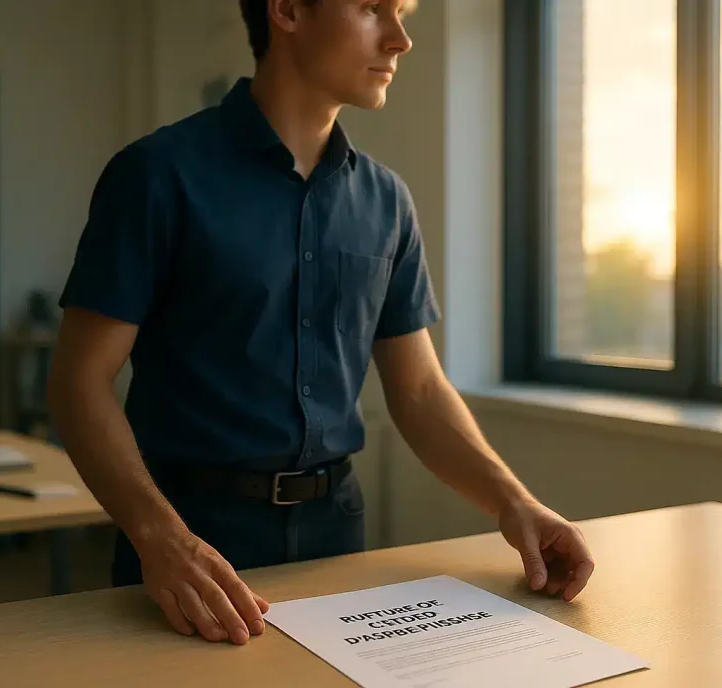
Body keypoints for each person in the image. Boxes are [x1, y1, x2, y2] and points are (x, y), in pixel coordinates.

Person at [47, 0, 594, 647]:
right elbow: (79, 384)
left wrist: (515, 503)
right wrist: (160, 538)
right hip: (190, 538)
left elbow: (418, 390)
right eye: (371, 8)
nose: (400, 40)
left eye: (403, 12)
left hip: (338, 532)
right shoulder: (157, 175)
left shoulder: (387, 201)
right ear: (286, 11)